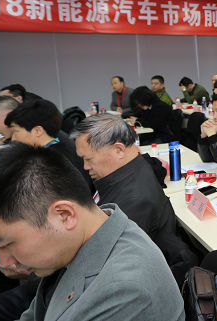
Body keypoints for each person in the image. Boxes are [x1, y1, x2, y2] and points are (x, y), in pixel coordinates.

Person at [0, 143, 185, 321]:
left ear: (65, 215)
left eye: (7, 244)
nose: (4, 261)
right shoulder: (74, 244)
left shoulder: (122, 290)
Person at [71, 115, 198, 287]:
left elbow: (102, 266)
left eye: (89, 159)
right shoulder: (132, 169)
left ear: (119, 150)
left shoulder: (134, 201)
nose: (86, 166)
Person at [3, 99, 93, 194]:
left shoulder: (53, 160)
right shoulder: (56, 143)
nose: (13, 138)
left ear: (38, 131)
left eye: (16, 131)